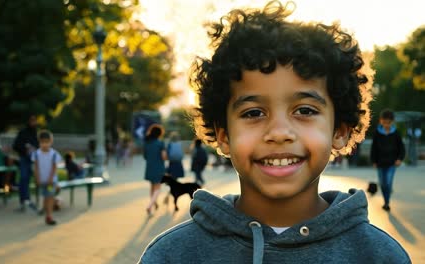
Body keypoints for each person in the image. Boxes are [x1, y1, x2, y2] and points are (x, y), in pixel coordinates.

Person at [139, 1, 410, 263]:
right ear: (223, 136)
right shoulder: (172, 256)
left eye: (304, 110)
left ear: (339, 130)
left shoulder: (380, 256)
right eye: (253, 113)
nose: (279, 132)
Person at [370, 109, 405, 212]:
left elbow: (401, 148)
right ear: (381, 121)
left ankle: (386, 203)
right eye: (384, 122)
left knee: (388, 182)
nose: (386, 124)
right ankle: (387, 196)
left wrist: (399, 159)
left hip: (392, 163)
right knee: (383, 183)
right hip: (380, 163)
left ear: (392, 122)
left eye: (388, 122)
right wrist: (374, 161)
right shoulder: (377, 133)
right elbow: (374, 147)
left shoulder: (396, 133)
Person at [32, 130, 63, 225]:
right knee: (45, 196)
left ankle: (49, 216)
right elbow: (36, 167)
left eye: (47, 142)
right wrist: (37, 178)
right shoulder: (36, 154)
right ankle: (45, 209)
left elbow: (54, 168)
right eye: (42, 142)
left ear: (51, 142)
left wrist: (50, 178)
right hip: (42, 181)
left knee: (50, 196)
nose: (44, 144)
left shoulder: (54, 154)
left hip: (51, 181)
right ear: (39, 142)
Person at [12, 115, 39, 211]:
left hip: (33, 160)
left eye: (34, 121)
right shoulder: (23, 133)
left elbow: (38, 146)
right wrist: (25, 148)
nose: (33, 122)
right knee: (23, 178)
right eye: (32, 121)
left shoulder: (35, 133)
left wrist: (34, 148)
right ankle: (23, 200)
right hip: (24, 159)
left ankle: (27, 200)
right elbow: (15, 145)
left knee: (28, 180)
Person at [143, 124, 167, 216]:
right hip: (158, 167)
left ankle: (154, 203)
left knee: (152, 187)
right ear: (159, 134)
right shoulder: (160, 143)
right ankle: (149, 206)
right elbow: (164, 157)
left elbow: (145, 156)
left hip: (149, 167)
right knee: (158, 188)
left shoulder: (147, 143)